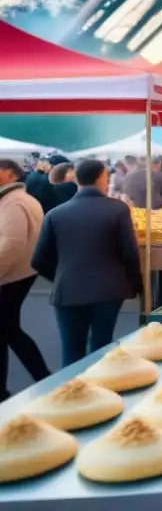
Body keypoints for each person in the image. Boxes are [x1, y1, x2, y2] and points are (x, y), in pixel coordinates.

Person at [31, 159, 142, 367]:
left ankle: (72, 395)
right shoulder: (117, 210)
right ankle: (98, 394)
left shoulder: (55, 214)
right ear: (101, 177)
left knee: (71, 355)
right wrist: (136, 283)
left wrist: (62, 275)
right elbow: (129, 253)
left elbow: (38, 259)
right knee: (101, 352)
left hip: (68, 291)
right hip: (108, 290)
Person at [0, 159, 50, 399]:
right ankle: (44, 379)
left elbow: (12, 244)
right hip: (19, 273)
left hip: (12, 275)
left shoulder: (14, 202)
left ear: (10, 174)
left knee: (8, 330)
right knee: (8, 330)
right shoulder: (18, 199)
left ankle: (45, 379)